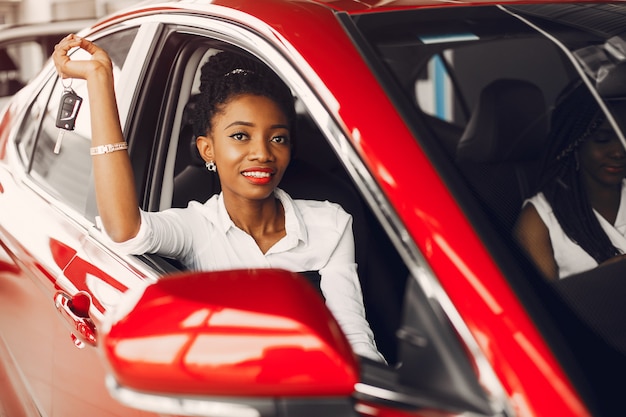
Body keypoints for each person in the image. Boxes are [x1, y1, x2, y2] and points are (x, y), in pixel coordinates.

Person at [52, 34, 386, 363]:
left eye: (278, 138)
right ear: (206, 149)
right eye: (241, 136)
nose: (262, 153)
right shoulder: (197, 228)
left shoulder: (331, 222)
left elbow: (353, 335)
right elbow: (126, 228)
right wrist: (98, 80)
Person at [514, 81, 626, 280]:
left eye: (624, 137)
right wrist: (604, 279)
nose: (619, 152)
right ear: (574, 143)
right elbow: (544, 306)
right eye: (602, 139)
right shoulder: (540, 221)